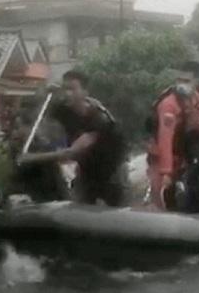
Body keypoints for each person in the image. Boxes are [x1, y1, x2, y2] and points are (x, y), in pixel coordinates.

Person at [18, 70, 130, 207]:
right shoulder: (64, 110)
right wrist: (45, 92)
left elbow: (71, 153)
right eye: (65, 89)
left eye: (72, 89)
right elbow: (38, 113)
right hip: (88, 170)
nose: (67, 93)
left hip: (113, 172)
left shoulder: (98, 119)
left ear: (85, 92)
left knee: (114, 215)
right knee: (82, 210)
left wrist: (30, 158)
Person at [147, 66, 199, 210]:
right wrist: (166, 172)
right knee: (161, 188)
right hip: (163, 146)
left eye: (186, 80)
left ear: (197, 82)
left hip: (185, 141)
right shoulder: (168, 105)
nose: (182, 84)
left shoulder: (197, 99)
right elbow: (165, 139)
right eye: (179, 80)